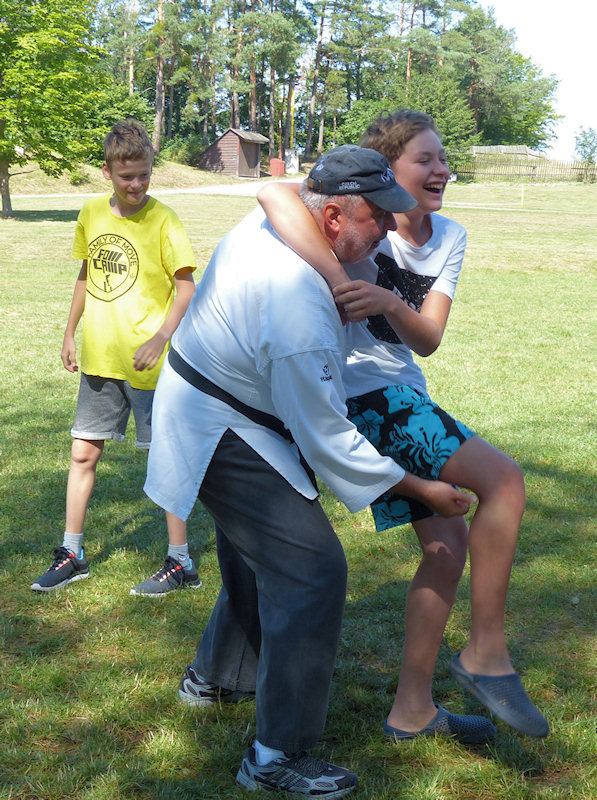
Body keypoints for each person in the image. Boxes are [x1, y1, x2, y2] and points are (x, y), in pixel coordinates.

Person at [144, 145, 477, 796]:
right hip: (220, 427)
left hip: (213, 401)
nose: (389, 230)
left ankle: (216, 677)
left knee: (257, 554)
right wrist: (423, 490)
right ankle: (275, 757)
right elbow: (328, 440)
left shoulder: (291, 221)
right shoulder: (300, 304)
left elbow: (278, 194)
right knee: (311, 570)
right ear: (330, 217)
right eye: (377, 217)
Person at [257, 109, 549, 740]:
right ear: (388, 170)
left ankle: (411, 711)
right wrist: (338, 275)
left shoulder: (450, 236)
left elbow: (429, 339)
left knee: (447, 549)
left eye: (443, 158)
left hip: (404, 392)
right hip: (360, 393)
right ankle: (486, 653)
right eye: (425, 159)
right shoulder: (365, 220)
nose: (441, 169)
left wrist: (389, 300)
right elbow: (274, 194)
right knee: (504, 481)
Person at [31, 119, 198, 594]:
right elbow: (87, 276)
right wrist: (70, 331)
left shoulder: (164, 220)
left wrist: (161, 337)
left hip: (149, 365)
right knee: (83, 452)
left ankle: (181, 562)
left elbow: (186, 287)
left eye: (145, 174)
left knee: (166, 459)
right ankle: (73, 553)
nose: (137, 184)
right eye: (127, 176)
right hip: (100, 358)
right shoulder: (90, 213)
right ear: (107, 172)